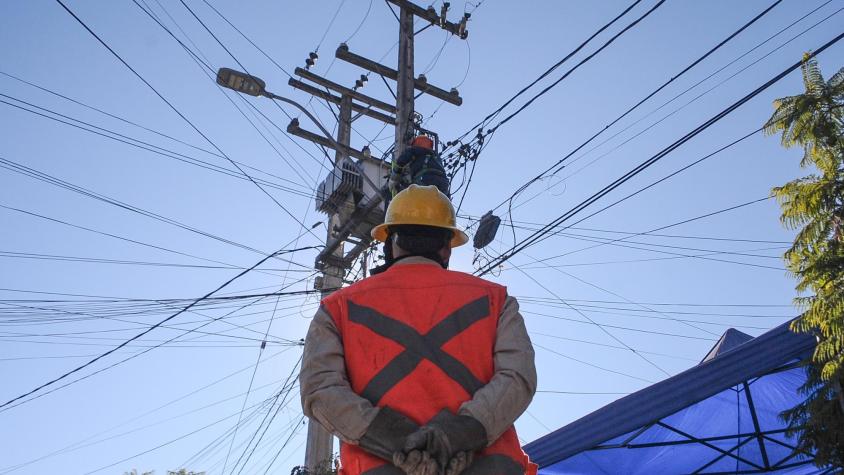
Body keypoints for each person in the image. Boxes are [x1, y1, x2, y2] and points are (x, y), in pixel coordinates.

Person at [300, 185, 538, 474]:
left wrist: (401, 442)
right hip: (492, 466)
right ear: (447, 247)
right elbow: (517, 377)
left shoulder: (336, 308)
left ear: (390, 244)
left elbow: (320, 389)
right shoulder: (496, 300)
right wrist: (458, 434)